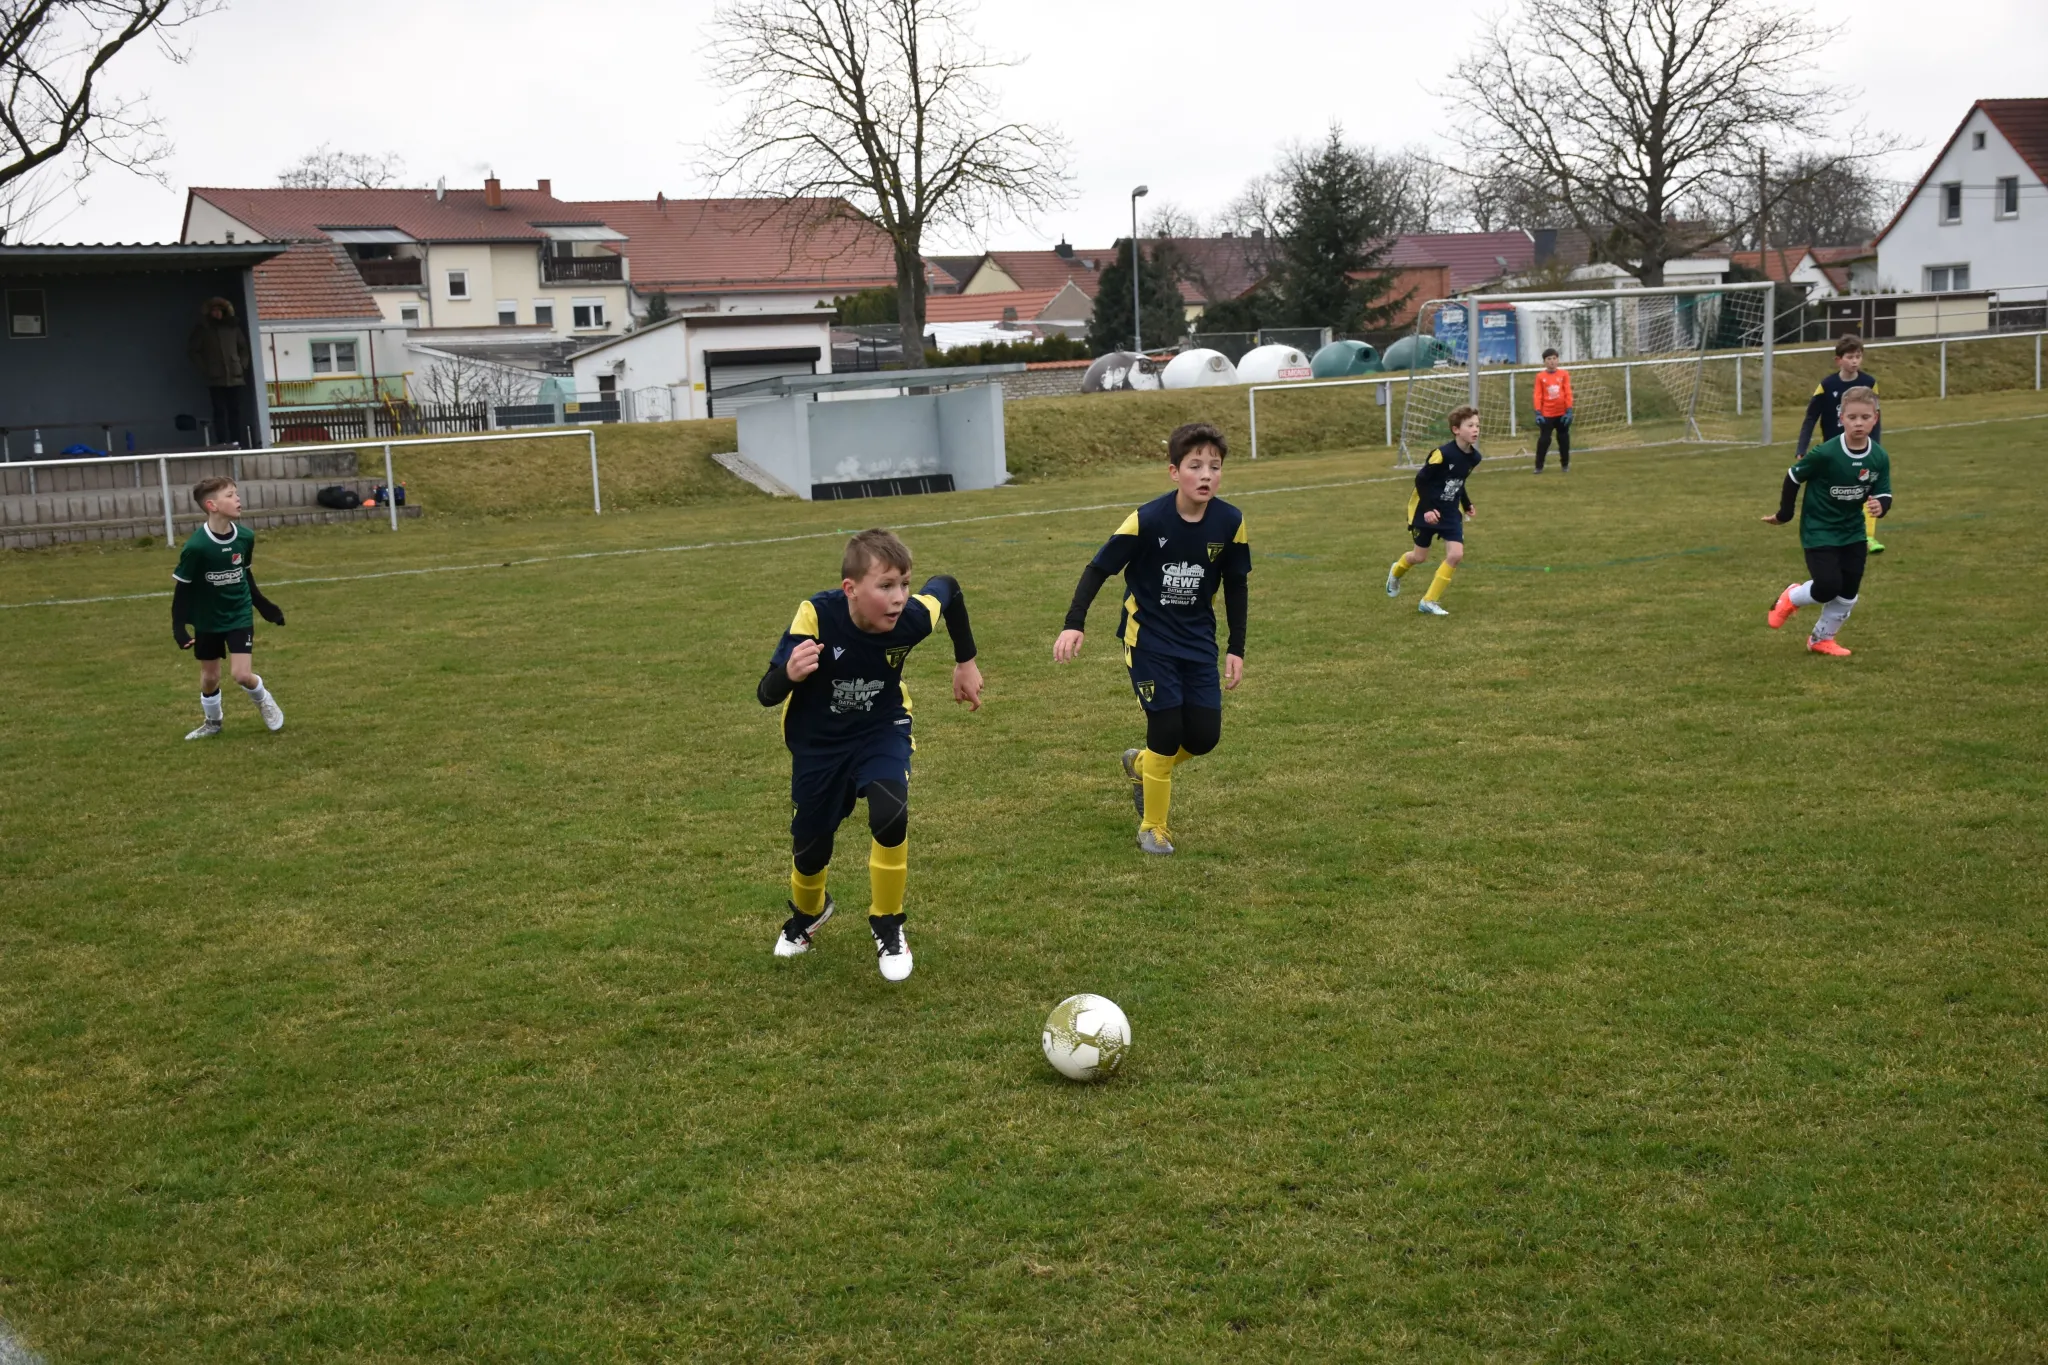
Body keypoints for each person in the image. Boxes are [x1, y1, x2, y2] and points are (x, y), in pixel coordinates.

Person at [758, 529, 982, 981]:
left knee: (890, 811)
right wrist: (790, 673)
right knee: (810, 847)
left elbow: (949, 588)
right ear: (851, 589)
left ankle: (888, 923)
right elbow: (767, 693)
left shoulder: (912, 618)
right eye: (886, 586)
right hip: (819, 744)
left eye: (904, 583)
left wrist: (966, 661)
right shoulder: (816, 616)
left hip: (882, 729)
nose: (899, 597)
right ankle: (808, 914)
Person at [1054, 421, 1250, 857]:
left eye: (1215, 466)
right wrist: (1074, 622)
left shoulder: (1231, 522)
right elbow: (1098, 568)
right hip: (1149, 641)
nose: (1206, 475)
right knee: (1165, 728)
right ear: (1174, 471)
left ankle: (1141, 764)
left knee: (1203, 737)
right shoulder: (1147, 519)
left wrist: (1236, 648)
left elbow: (1236, 585)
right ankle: (1153, 828)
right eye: (1195, 465)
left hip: (1198, 643)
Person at [1763, 386, 1891, 657]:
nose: (1859, 423)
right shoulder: (1826, 453)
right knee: (1827, 586)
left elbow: (1884, 491)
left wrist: (1882, 505)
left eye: (1865, 417)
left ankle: (1821, 639)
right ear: (1841, 418)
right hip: (1819, 529)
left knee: (1848, 592)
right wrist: (1785, 514)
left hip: (1853, 531)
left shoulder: (1879, 456)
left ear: (1875, 418)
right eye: (1852, 417)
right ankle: (1791, 597)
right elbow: (1793, 477)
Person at [172, 477, 286, 739]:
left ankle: (264, 700)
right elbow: (183, 589)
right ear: (212, 505)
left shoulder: (245, 537)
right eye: (230, 495)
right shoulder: (196, 547)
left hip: (238, 613)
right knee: (210, 677)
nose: (238, 499)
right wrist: (178, 627)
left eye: (237, 494)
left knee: (242, 674)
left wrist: (264, 606)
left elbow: (246, 574)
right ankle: (213, 722)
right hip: (207, 618)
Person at [1386, 406, 1482, 616]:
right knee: (1419, 557)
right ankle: (1396, 571)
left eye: (1477, 425)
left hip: (1450, 512)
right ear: (1456, 429)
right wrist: (1428, 509)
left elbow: (1458, 481)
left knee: (1456, 555)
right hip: (1425, 509)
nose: (1475, 429)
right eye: (1470, 425)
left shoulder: (1474, 457)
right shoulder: (1442, 454)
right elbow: (1421, 480)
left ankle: (1428, 601)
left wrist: (1466, 503)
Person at [1796, 334, 1884, 553]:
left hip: (1863, 449)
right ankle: (1833, 532)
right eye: (1850, 357)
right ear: (1838, 360)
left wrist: (1876, 446)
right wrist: (1801, 448)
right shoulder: (1827, 385)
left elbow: (1876, 416)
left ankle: (1868, 537)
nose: (1854, 361)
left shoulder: (1869, 383)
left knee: (1867, 488)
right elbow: (1811, 417)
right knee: (1838, 492)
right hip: (1834, 451)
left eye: (1858, 356)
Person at [187, 297, 253, 448]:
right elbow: (193, 351)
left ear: (224, 312)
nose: (216, 313)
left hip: (235, 377)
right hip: (215, 378)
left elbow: (244, 349)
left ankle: (236, 441)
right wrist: (206, 368)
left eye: (219, 310)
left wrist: (242, 365)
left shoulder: (233, 328)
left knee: (234, 411)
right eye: (213, 310)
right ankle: (222, 441)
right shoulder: (203, 329)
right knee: (219, 411)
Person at [1532, 348, 1574, 473]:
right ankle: (1539, 466)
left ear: (1558, 360)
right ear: (1544, 361)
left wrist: (1569, 410)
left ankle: (1565, 464)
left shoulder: (1564, 374)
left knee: (1563, 439)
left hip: (1562, 413)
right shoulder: (1540, 376)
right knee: (1544, 440)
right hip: (1547, 414)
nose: (1552, 361)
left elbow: (1567, 392)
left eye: (1554, 358)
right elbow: (1538, 395)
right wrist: (1538, 412)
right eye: (1549, 359)